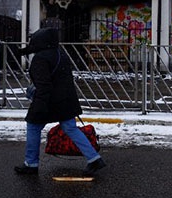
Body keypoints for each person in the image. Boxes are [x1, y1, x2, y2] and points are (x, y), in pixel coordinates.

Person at [14, 27, 106, 176]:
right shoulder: (60, 53)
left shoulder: (40, 59)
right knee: (70, 128)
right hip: (66, 100)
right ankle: (94, 159)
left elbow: (43, 85)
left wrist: (39, 106)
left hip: (49, 100)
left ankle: (31, 163)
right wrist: (22, 52)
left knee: (33, 126)